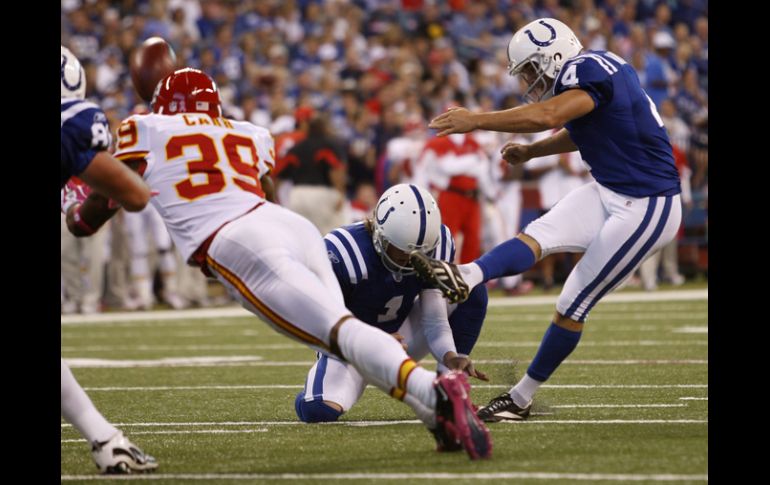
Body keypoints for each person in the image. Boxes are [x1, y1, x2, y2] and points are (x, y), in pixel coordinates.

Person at [65, 67, 492, 459]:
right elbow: (265, 191)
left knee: (340, 334)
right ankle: (438, 417)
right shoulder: (249, 132)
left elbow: (123, 200)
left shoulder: (143, 127)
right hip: (289, 225)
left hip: (237, 239)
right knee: (344, 332)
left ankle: (436, 394)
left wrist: (76, 210)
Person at [410, 18, 682, 422]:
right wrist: (535, 154)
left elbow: (548, 114)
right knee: (537, 235)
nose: (530, 80)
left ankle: (521, 397)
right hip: (610, 188)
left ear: (553, 56)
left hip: (648, 203)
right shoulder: (593, 70)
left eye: (532, 70)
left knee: (572, 303)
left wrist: (476, 119)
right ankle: (467, 275)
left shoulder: (582, 69)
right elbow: (582, 128)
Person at [295, 184, 489, 438]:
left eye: (421, 253)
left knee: (471, 288)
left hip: (403, 337)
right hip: (351, 348)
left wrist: (450, 356)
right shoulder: (342, 250)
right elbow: (319, 326)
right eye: (402, 252)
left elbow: (434, 318)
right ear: (379, 234)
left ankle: (448, 393)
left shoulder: (438, 242)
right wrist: (371, 341)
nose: (411, 260)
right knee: (318, 410)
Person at [60, 45, 158, 474]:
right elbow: (134, 194)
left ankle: (103, 439)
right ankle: (104, 441)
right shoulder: (71, 123)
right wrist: (85, 212)